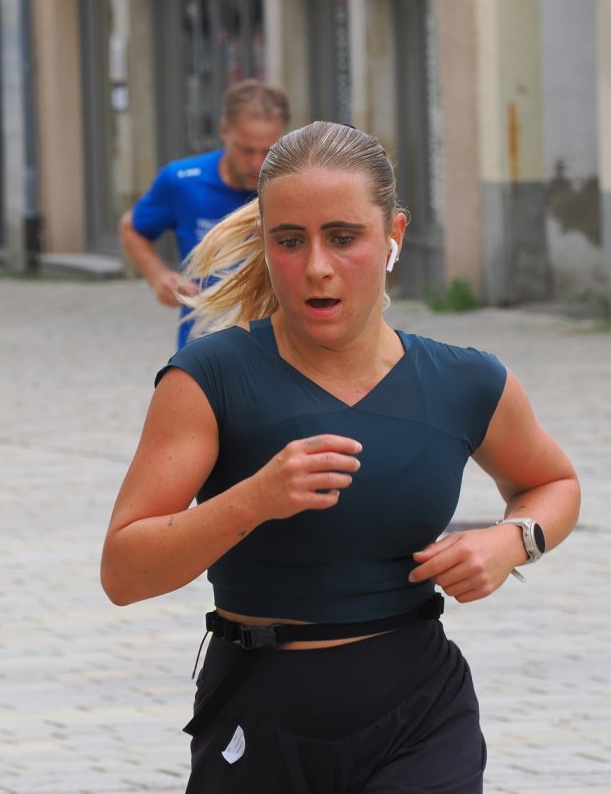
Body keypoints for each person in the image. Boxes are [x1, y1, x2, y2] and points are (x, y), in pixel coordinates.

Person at [101, 121, 581, 792]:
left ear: (394, 235)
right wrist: (253, 499)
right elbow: (123, 572)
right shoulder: (209, 379)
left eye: (344, 237)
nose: (317, 267)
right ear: (265, 241)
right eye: (289, 240)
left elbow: (554, 482)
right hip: (258, 712)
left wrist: (513, 540)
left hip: (419, 714)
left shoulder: (466, 381)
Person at [119, 80, 290, 348]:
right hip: (203, 341)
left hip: (278, 343)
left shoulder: (293, 186)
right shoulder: (182, 180)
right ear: (224, 130)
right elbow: (132, 227)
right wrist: (158, 276)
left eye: (269, 151)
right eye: (246, 150)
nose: (257, 163)